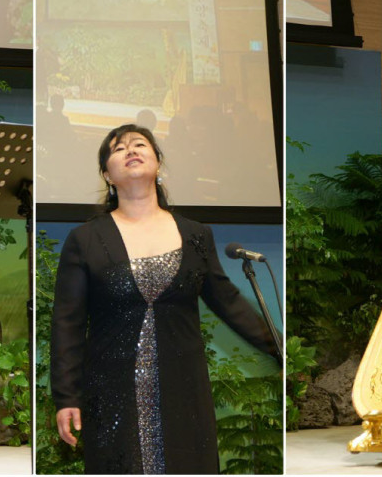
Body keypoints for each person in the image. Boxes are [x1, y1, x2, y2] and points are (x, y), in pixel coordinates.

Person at [49, 123, 280, 474]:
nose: (130, 150)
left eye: (139, 144)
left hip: (184, 389)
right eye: (118, 148)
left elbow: (230, 303)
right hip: (111, 392)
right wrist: (66, 396)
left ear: (158, 163)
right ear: (107, 175)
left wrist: (278, 348)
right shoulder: (85, 240)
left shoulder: (196, 235)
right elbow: (67, 323)